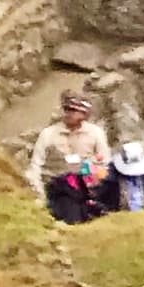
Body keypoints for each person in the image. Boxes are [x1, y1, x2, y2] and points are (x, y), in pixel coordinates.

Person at [29, 94, 112, 223]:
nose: (68, 114)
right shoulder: (48, 134)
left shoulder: (95, 133)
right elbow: (35, 165)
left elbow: (105, 163)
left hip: (87, 186)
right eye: (67, 109)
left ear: (84, 114)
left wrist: (93, 183)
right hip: (55, 187)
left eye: (73, 111)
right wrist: (39, 193)